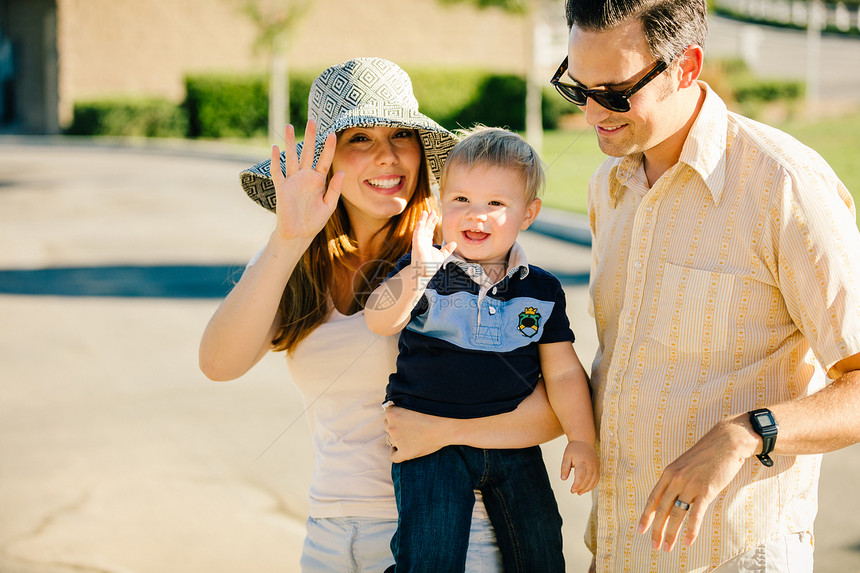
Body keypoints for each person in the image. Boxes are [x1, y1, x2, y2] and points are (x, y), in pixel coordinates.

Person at [199, 58, 564, 572]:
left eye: (401, 136)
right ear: (325, 160)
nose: (388, 157)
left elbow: (551, 412)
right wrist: (288, 238)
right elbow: (219, 363)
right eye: (360, 140)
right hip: (329, 534)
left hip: (452, 534)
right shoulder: (297, 259)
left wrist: (445, 433)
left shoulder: (458, 249)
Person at [550, 0, 860, 571]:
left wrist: (747, 432)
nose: (592, 115)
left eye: (615, 93)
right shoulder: (607, 187)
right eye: (578, 88)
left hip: (737, 557)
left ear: (686, 67)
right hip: (619, 555)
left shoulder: (786, 185)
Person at [365, 127, 599, 572]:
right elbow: (380, 319)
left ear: (528, 213)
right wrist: (417, 271)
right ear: (438, 206)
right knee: (430, 555)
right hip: (429, 446)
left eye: (496, 203)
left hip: (513, 442)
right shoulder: (424, 271)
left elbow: (564, 373)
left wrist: (582, 438)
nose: (477, 215)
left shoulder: (541, 289)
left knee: (540, 551)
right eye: (461, 200)